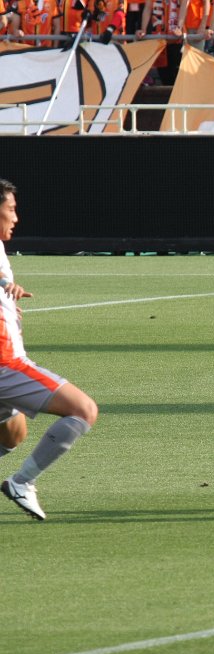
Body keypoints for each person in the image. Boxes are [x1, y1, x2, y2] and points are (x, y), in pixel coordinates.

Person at [0, 179, 99, 522]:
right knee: (83, 410)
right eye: (11, 209)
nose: (16, 218)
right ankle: (22, 482)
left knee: (13, 433)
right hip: (5, 364)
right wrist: (5, 286)